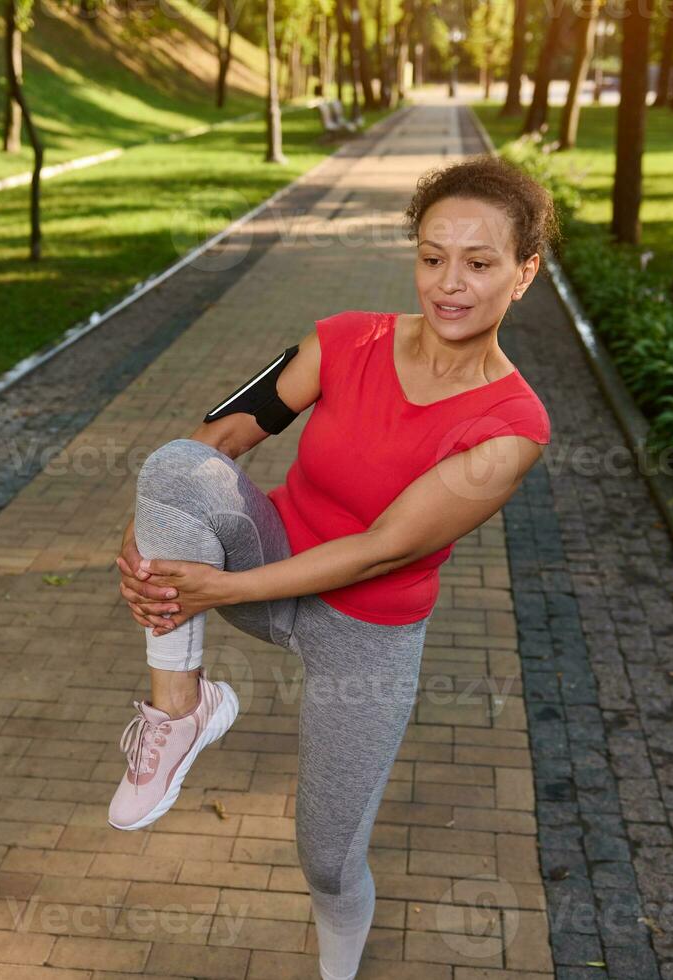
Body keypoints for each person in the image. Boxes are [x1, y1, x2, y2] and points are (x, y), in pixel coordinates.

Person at [108, 154, 556, 980]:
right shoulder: (345, 338)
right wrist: (148, 535)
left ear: (523, 273)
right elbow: (217, 439)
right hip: (269, 550)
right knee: (171, 463)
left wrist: (219, 589)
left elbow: (384, 547)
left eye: (479, 262)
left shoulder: (511, 426)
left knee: (326, 853)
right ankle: (181, 710)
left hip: (367, 630)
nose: (448, 283)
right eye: (430, 257)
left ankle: (337, 968)